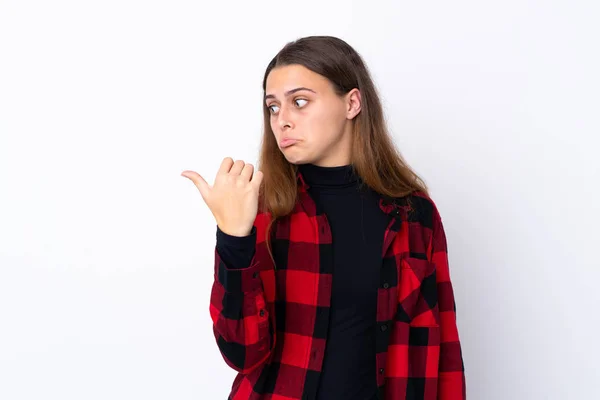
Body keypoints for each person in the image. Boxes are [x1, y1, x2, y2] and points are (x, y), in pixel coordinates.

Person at [182, 35, 465, 400]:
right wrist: (233, 238)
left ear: (351, 103)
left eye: (300, 102)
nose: (282, 120)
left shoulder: (413, 215)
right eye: (272, 107)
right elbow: (242, 352)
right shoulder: (260, 210)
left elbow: (443, 350)